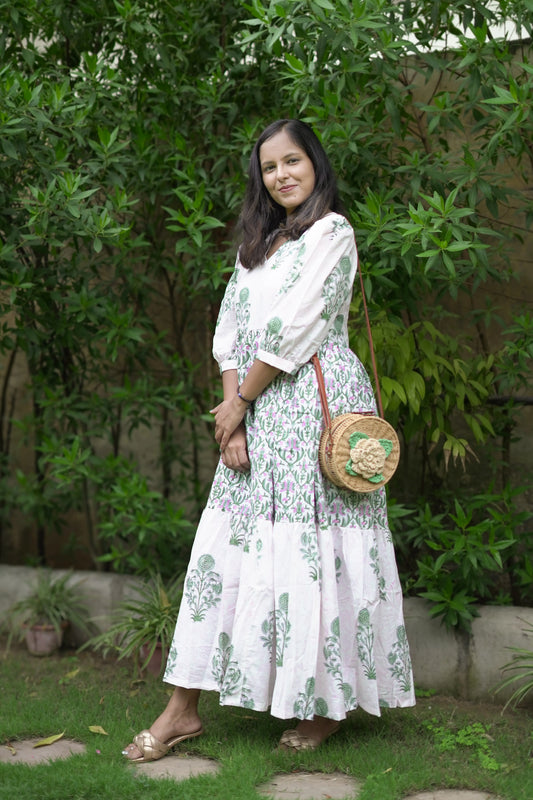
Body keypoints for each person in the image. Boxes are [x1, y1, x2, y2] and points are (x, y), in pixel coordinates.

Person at [122, 118, 415, 762]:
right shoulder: (256, 243)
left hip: (312, 405)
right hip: (252, 406)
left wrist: (242, 401)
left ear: (315, 163)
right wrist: (234, 409)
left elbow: (295, 327)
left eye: (292, 161)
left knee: (313, 551)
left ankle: (325, 705)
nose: (281, 175)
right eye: (269, 167)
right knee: (225, 554)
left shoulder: (332, 233)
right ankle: (182, 710)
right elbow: (232, 325)